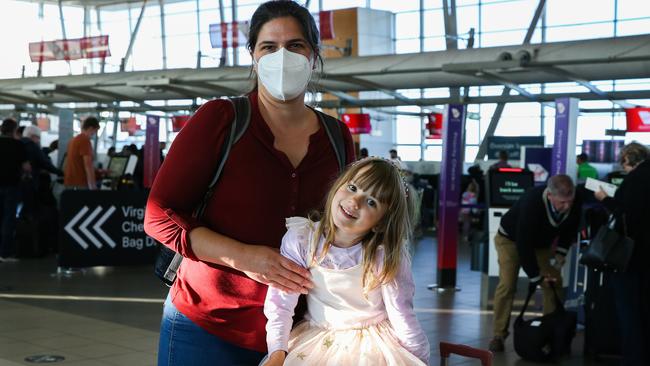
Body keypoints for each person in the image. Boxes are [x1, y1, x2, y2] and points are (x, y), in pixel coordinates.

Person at [144, 1, 355, 365]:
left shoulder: (337, 137)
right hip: (209, 323)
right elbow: (159, 216)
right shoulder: (221, 120)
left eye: (296, 45)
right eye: (269, 47)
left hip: (301, 333)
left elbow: (349, 225)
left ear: (315, 57)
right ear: (254, 58)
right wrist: (245, 257)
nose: (283, 56)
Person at [262, 158, 429, 366]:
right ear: (338, 185)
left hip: (373, 347)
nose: (355, 202)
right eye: (352, 187)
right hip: (316, 340)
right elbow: (280, 304)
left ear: (381, 223)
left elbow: (402, 315)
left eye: (371, 202)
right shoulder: (302, 239)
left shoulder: (383, 256)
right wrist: (277, 351)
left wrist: (420, 358)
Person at [489, 174, 582, 352]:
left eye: (570, 201)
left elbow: (570, 229)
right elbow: (524, 245)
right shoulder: (531, 202)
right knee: (507, 284)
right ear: (550, 195)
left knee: (553, 283)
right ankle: (498, 335)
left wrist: (559, 257)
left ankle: (551, 332)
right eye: (562, 202)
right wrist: (535, 276)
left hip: (541, 244)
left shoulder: (574, 201)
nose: (567, 206)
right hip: (510, 240)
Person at [594, 142, 650, 365]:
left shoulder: (636, 179)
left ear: (629, 160)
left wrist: (603, 198)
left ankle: (634, 358)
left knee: (629, 311)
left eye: (624, 163)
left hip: (632, 257)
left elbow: (623, 211)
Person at [0, 118, 29, 262]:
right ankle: (5, 253)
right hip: (12, 185)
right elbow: (26, 167)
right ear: (14, 130)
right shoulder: (18, 145)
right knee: (8, 218)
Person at [63, 117, 100, 190]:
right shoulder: (85, 140)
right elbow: (88, 165)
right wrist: (92, 186)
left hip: (69, 181)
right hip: (80, 183)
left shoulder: (73, 140)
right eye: (95, 131)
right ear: (90, 128)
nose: (94, 134)